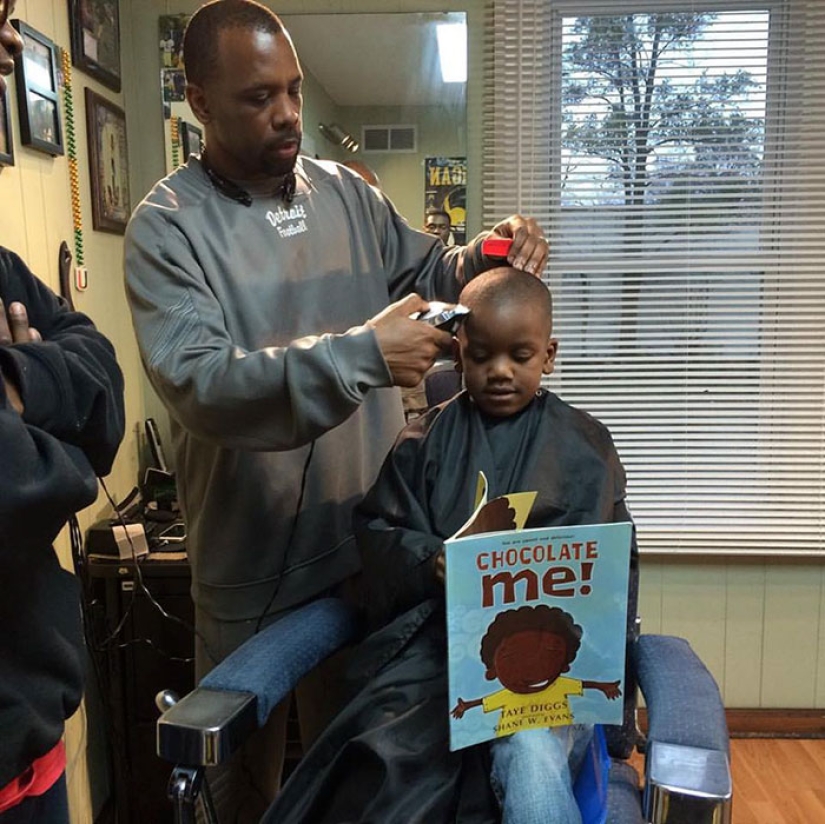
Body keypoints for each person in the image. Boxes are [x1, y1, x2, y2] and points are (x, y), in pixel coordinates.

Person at [123, 0, 548, 818]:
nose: (287, 112)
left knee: (354, 783)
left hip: (364, 551)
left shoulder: (345, 194)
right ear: (199, 101)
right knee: (240, 793)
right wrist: (362, 356)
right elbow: (203, 386)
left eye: (292, 90)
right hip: (249, 566)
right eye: (258, 97)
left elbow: (434, 272)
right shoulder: (166, 230)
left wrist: (488, 254)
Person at [264, 267, 637, 824]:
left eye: (520, 356)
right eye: (482, 356)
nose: (500, 371)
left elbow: (612, 575)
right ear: (458, 354)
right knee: (385, 764)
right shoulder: (423, 443)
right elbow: (379, 533)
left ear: (549, 355)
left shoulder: (585, 446)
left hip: (554, 671)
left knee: (531, 749)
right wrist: (431, 560)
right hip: (435, 658)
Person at [0, 13, 126, 821]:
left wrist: (20, 386)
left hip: (31, 760)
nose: (11, 47)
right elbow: (23, 486)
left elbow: (104, 388)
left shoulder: (3, 269)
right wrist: (54, 437)